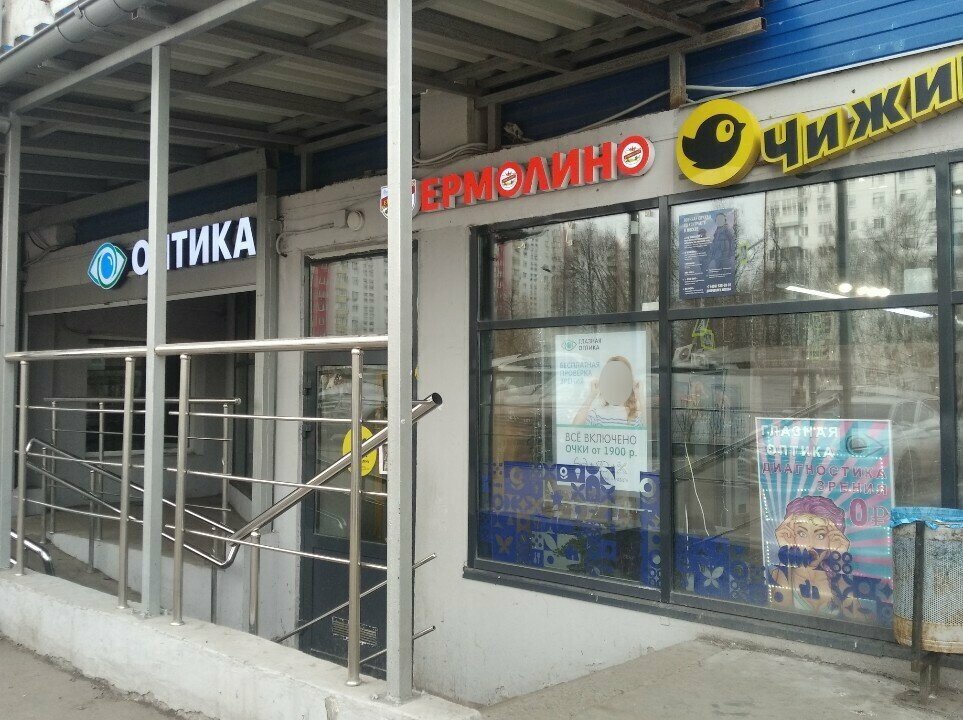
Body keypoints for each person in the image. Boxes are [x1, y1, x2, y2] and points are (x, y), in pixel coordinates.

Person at [768, 495, 853, 617]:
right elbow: (780, 617)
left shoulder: (837, 578)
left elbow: (858, 619)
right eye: (802, 533)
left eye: (820, 536)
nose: (810, 545)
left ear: (832, 538)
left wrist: (839, 557)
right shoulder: (780, 574)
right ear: (791, 535)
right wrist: (786, 552)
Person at [573, 356, 642, 428]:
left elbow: (648, 427)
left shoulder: (637, 416)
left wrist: (640, 396)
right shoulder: (596, 415)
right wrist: (592, 395)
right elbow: (575, 428)